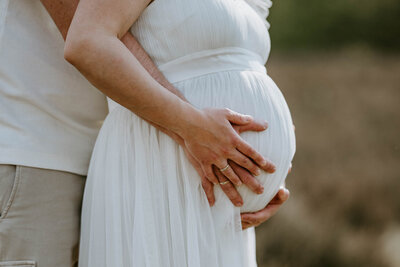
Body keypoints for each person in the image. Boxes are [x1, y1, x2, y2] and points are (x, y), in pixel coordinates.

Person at [0, 0, 290, 266]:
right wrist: (192, 127)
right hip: (41, 156)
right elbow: (86, 34)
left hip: (124, 161)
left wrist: (264, 172)